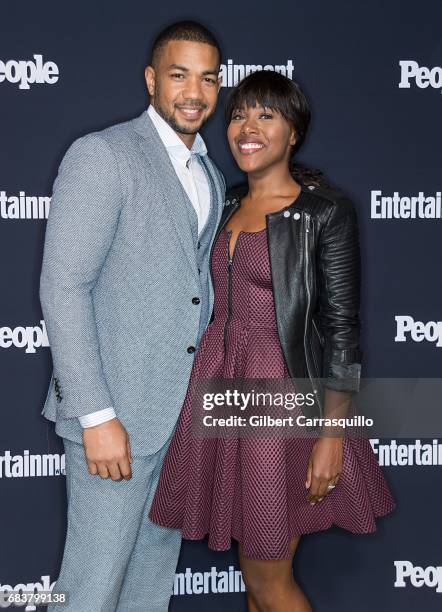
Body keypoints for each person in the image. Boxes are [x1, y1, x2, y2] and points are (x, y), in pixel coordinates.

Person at [148, 70, 397, 612]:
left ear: (293, 132)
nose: (247, 127)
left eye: (266, 115)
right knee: (256, 577)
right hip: (223, 392)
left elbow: (341, 331)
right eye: (239, 114)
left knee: (268, 581)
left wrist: (330, 437)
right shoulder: (221, 202)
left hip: (282, 404)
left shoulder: (324, 212)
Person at [39, 20, 225, 611]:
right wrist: (97, 415)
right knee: (90, 593)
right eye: (178, 75)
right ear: (151, 80)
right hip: (113, 421)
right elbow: (64, 287)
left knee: (148, 592)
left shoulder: (211, 172)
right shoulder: (103, 155)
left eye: (207, 78)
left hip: (177, 425)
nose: (193, 91)